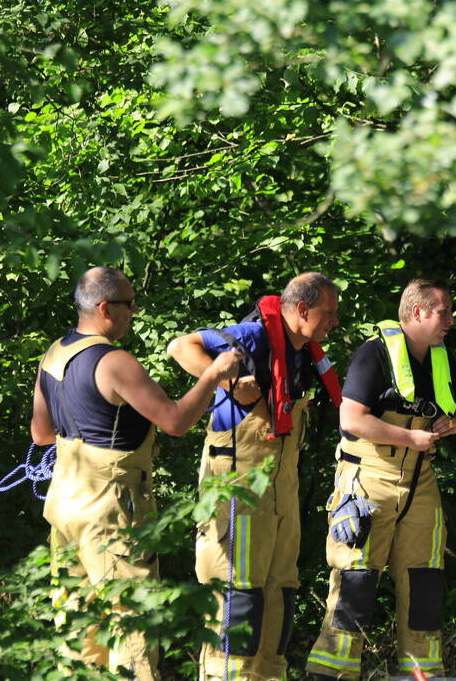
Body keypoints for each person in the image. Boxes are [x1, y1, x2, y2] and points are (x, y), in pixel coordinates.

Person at [31, 266, 241, 680]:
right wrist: (215, 375)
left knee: (77, 627)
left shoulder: (54, 353)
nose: (135, 311)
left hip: (65, 504)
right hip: (111, 509)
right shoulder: (115, 362)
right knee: (132, 625)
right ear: (105, 308)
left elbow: (41, 434)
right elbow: (175, 420)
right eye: (129, 304)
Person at [168, 272, 341, 681]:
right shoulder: (252, 335)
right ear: (301, 309)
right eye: (328, 313)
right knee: (237, 589)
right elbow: (181, 346)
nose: (334, 321)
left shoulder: (304, 352)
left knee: (281, 588)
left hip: (282, 487)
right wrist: (227, 379)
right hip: (239, 484)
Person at [306, 278, 456, 680]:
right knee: (356, 583)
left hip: (421, 481)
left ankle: (422, 673)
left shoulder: (442, 355)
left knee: (425, 586)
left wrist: (455, 422)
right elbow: (352, 418)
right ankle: (332, 675)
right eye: (442, 311)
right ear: (417, 313)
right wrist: (409, 437)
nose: (450, 319)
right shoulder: (373, 354)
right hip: (369, 480)